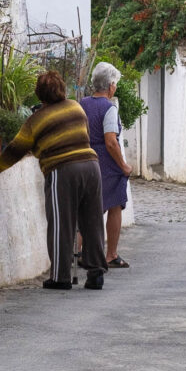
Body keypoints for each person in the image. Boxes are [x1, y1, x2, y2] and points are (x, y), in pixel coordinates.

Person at [0, 70, 108, 291]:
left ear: (39, 94)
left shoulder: (36, 120)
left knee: (62, 223)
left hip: (62, 170)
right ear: (62, 88)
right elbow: (85, 134)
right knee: (92, 221)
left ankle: (61, 277)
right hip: (91, 166)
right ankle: (96, 273)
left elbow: (15, 150)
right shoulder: (76, 107)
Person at [80, 61, 132, 268]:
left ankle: (80, 253)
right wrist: (124, 166)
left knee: (88, 209)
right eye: (115, 84)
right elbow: (110, 140)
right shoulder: (109, 108)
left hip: (86, 158)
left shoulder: (82, 103)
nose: (115, 87)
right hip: (107, 164)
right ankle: (111, 254)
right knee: (114, 205)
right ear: (110, 85)